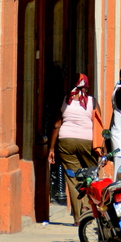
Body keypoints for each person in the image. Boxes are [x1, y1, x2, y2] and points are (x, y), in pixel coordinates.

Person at [48, 74, 102, 225]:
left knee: (72, 179)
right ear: (87, 86)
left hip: (66, 141)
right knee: (89, 174)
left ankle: (78, 218)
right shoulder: (92, 101)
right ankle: (87, 208)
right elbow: (99, 123)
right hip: (87, 141)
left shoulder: (66, 100)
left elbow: (57, 125)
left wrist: (52, 148)